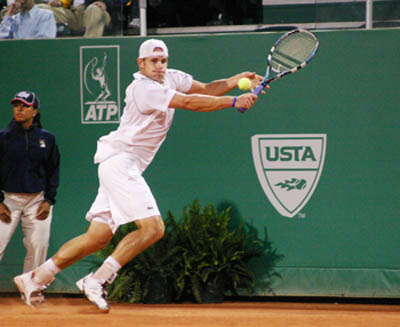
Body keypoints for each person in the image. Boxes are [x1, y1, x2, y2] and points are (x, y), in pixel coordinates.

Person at [13, 39, 266, 312]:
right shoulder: (142, 89)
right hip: (121, 164)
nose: (159, 66)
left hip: (117, 164)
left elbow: (204, 89)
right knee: (154, 228)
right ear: (141, 63)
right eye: (153, 61)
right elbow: (191, 102)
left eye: (163, 60)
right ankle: (98, 279)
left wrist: (235, 80)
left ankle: (35, 278)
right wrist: (234, 101)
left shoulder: (170, 78)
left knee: (97, 237)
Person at [0, 91, 60, 303]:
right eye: (16, 105)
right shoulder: (3, 137)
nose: (19, 109)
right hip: (8, 200)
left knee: (38, 245)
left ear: (34, 111)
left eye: (25, 106)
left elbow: (53, 171)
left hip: (37, 200)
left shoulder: (47, 139)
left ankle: (32, 289)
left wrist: (48, 200)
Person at [37, 0, 111, 37]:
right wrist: (60, 2)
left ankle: (90, 50)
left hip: (98, 12)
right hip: (75, 12)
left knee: (93, 9)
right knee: (41, 8)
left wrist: (104, 2)